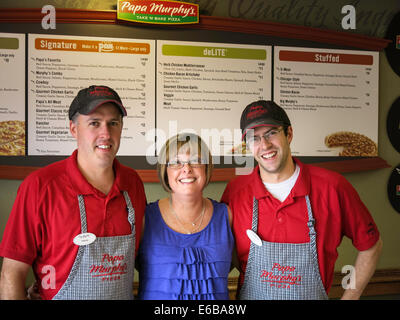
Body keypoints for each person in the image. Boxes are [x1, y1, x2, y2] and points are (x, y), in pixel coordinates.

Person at [221, 100, 383, 300]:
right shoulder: (235, 191)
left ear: (288, 134)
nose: (264, 145)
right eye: (254, 138)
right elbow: (221, 254)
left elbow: (371, 245)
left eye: (272, 132)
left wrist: (351, 296)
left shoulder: (332, 187)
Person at [0, 85, 146, 300]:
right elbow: (11, 273)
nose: (106, 133)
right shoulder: (40, 186)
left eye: (113, 123)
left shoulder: (132, 183)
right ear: (74, 129)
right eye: (94, 123)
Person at [138, 133, 234, 300]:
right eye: (176, 162)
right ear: (165, 170)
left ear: (206, 167)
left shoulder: (227, 216)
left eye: (196, 161)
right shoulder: (145, 218)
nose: (187, 169)